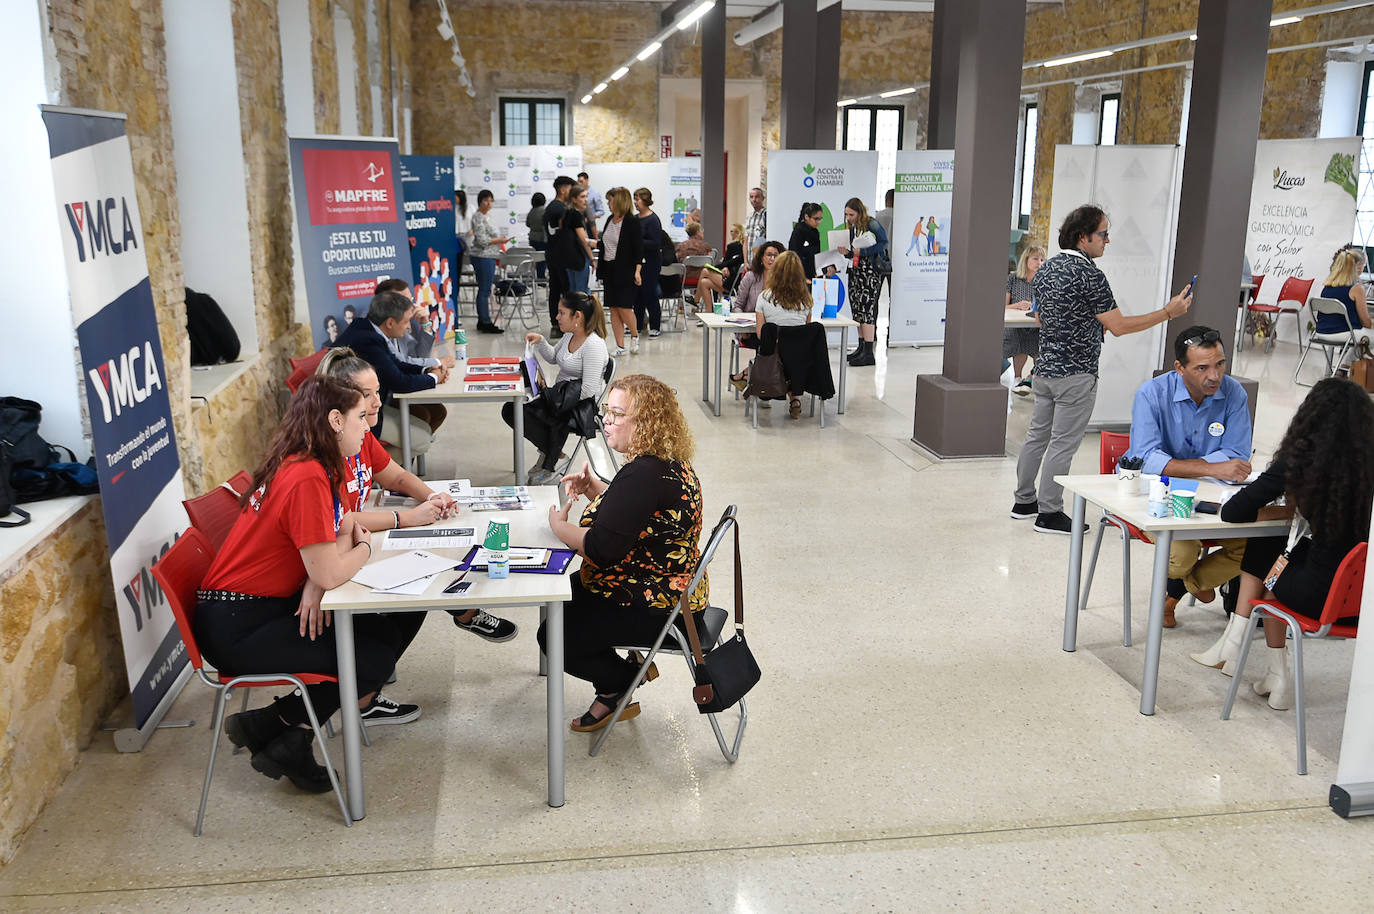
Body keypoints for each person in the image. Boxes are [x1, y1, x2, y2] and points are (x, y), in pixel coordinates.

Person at [195, 376, 427, 792]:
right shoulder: (306, 475)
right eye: (360, 417)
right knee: (372, 660)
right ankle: (280, 726)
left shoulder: (314, 461)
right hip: (239, 625)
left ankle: (284, 730)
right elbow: (333, 565)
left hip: (263, 605)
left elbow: (340, 531)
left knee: (397, 616)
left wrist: (317, 580)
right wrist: (363, 552)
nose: (368, 427)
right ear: (335, 420)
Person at [1192, 378, 1374, 710]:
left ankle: (1236, 641)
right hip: (1362, 601)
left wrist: (1281, 507)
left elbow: (1234, 512)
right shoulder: (1366, 462)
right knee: (1278, 559)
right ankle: (1272, 674)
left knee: (1267, 546)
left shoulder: (1301, 457)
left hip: (1316, 596)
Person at [539, 373, 707, 732]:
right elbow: (634, 513)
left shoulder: (644, 474)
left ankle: (621, 681)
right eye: (607, 411)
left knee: (553, 633)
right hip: (674, 590)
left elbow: (602, 549)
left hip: (659, 606)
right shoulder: (663, 461)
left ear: (645, 422)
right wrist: (595, 488)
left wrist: (558, 527)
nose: (607, 421)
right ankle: (618, 678)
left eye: (617, 414)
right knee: (565, 598)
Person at [1012, 204, 1193, 534]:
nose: (1107, 240)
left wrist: (1087, 326)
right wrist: (1168, 311)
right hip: (1076, 374)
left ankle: (1024, 501)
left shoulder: (1047, 269)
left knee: (1037, 436)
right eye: (1103, 233)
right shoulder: (1090, 275)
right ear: (1083, 237)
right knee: (1063, 444)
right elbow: (1120, 326)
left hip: (1046, 370)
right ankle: (1049, 513)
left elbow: (1042, 319)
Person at [316, 349, 518, 642]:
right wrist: (404, 518)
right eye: (366, 395)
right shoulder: (322, 456)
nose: (376, 402)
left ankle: (464, 613)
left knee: (430, 560)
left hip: (355, 540)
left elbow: (397, 476)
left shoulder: (361, 434)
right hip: (339, 554)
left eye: (376, 392)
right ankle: (372, 674)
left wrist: (433, 496)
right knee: (419, 577)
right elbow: (338, 519)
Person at [1124, 325, 1253, 627]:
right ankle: (1191, 583)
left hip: (1211, 497)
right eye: (1202, 367)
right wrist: (1211, 467)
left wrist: (1179, 465)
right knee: (1180, 555)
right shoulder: (1152, 394)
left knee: (1253, 546)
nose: (1214, 376)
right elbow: (1146, 458)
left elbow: (1236, 455)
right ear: (1180, 368)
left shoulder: (1233, 393)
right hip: (1158, 497)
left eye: (1220, 364)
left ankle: (1180, 590)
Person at [503, 292, 610, 485]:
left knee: (526, 414)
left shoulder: (594, 345)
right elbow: (554, 357)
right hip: (560, 398)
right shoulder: (570, 334)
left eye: (562, 313)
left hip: (579, 406)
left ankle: (553, 458)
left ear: (577, 316)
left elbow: (589, 390)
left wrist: (552, 396)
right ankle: (553, 454)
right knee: (511, 410)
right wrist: (541, 341)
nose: (557, 317)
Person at [332, 290, 449, 450]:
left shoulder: (366, 328)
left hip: (367, 406)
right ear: (390, 323)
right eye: (407, 321)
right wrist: (434, 378)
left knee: (427, 427)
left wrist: (427, 371)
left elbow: (396, 364)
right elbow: (399, 382)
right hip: (356, 416)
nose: (409, 326)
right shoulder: (368, 341)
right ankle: (377, 468)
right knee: (423, 440)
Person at [752, 249, 814, 420]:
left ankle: (751, 381)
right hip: (800, 361)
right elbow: (806, 332)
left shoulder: (764, 297)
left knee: (777, 352)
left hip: (773, 360)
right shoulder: (806, 300)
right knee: (793, 355)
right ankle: (794, 398)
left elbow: (760, 335)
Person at [837, 197, 889, 367]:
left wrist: (863, 251)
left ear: (859, 212)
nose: (848, 218)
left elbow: (883, 243)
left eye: (851, 214)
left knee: (866, 309)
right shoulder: (853, 227)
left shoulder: (871, 224)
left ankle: (868, 352)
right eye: (846, 214)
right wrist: (847, 252)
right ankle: (861, 347)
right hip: (855, 271)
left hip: (869, 272)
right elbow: (853, 252)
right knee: (857, 309)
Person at [596, 187, 644, 357]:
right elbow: (605, 243)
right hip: (609, 269)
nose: (608, 204)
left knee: (624, 307)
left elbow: (638, 249)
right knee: (614, 308)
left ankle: (635, 335)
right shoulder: (610, 219)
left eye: (610, 200)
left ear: (619, 201)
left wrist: (637, 271)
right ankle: (620, 346)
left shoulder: (631, 221)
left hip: (625, 269)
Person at [374, 278, 451, 372]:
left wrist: (425, 325)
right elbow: (399, 363)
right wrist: (438, 362)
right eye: (405, 302)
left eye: (411, 300)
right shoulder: (375, 329)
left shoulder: (406, 323)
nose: (412, 307)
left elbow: (419, 356)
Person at [1316, 245, 1370, 364]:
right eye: (1364, 266)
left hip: (1321, 332)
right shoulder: (1357, 289)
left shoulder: (1327, 286)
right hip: (1343, 334)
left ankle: (1343, 367)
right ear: (1359, 266)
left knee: (1361, 337)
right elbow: (1366, 322)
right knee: (1367, 338)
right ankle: (1347, 367)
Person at [1004, 244, 1045, 395]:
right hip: (1015, 325)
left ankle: (1033, 379)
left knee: (1040, 343)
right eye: (1035, 259)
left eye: (1042, 260)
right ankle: (1018, 378)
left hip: (1036, 324)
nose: (1039, 263)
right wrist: (1017, 305)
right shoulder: (1013, 278)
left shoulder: (1044, 280)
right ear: (1026, 260)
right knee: (1018, 336)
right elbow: (1002, 307)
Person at [469, 189, 508, 334]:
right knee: (484, 290)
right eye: (486, 200)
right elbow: (482, 240)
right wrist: (500, 240)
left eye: (491, 200)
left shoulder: (488, 217)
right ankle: (485, 321)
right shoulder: (478, 217)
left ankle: (483, 320)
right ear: (480, 201)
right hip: (482, 256)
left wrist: (500, 240)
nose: (489, 203)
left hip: (490, 256)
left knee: (486, 289)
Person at [543, 175, 575, 337]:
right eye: (570, 189)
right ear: (563, 189)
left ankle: (557, 324)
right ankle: (563, 324)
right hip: (561, 256)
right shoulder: (559, 209)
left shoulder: (552, 207)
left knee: (556, 290)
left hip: (553, 255)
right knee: (564, 291)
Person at [632, 187, 664, 339]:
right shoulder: (635, 218)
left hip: (650, 262)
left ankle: (655, 326)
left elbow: (655, 243)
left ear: (645, 200)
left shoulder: (653, 219)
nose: (635, 202)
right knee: (637, 295)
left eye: (637, 199)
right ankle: (637, 325)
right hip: (637, 262)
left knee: (649, 293)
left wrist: (638, 242)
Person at [561, 183, 597, 295]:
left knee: (573, 291)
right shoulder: (576, 215)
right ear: (574, 199)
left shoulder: (567, 213)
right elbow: (584, 240)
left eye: (586, 196)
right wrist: (592, 258)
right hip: (579, 258)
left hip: (569, 258)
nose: (586, 200)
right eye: (582, 197)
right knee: (582, 293)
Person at [676, 222, 722, 310]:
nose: (702, 233)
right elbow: (710, 265)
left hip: (685, 279)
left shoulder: (681, 246)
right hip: (702, 279)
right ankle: (702, 306)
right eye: (701, 231)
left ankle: (682, 307)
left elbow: (678, 263)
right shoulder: (706, 247)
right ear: (697, 232)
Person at [788, 202, 823, 279]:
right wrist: (802, 277)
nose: (819, 222)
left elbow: (816, 254)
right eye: (816, 219)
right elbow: (795, 254)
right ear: (807, 217)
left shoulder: (815, 232)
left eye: (820, 219)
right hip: (800, 275)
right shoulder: (799, 230)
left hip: (813, 274)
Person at [526, 192, 547, 279]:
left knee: (535, 258)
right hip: (542, 238)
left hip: (532, 238)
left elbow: (528, 224)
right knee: (542, 259)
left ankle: (536, 277)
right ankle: (541, 278)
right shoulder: (545, 211)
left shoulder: (531, 211)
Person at [744, 186, 767, 255]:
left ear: (763, 198)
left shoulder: (766, 215)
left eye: (757, 197)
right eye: (751, 197)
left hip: (761, 258)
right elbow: (746, 241)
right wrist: (745, 261)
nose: (754, 199)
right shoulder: (749, 217)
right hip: (749, 259)